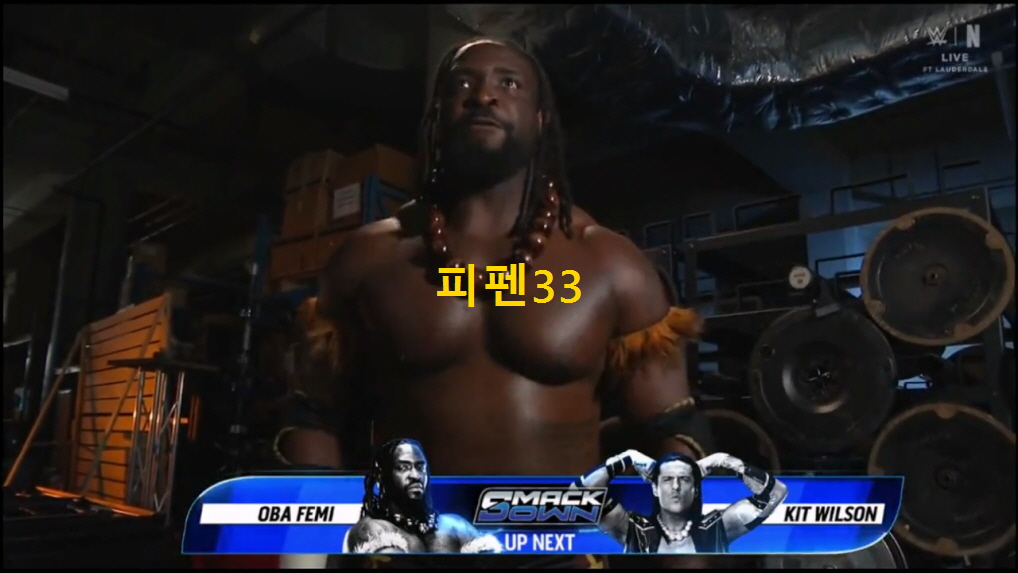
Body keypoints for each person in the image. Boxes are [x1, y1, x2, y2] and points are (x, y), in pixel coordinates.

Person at [274, 36, 710, 569]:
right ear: (437, 115)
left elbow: (674, 434)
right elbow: (314, 417)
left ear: (541, 119)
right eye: (463, 84)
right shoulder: (368, 259)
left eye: (509, 83)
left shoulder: (610, 265)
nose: (483, 95)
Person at [575, 449, 787, 554]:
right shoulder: (632, 530)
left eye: (684, 479)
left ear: (695, 489)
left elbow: (776, 493)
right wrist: (625, 458)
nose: (676, 487)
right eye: (667, 480)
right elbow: (574, 498)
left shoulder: (718, 528)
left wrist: (723, 461)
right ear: (655, 488)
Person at [344, 439, 501, 554]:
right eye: (403, 467)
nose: (415, 475)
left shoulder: (456, 526)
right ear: (382, 476)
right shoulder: (371, 529)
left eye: (420, 467)